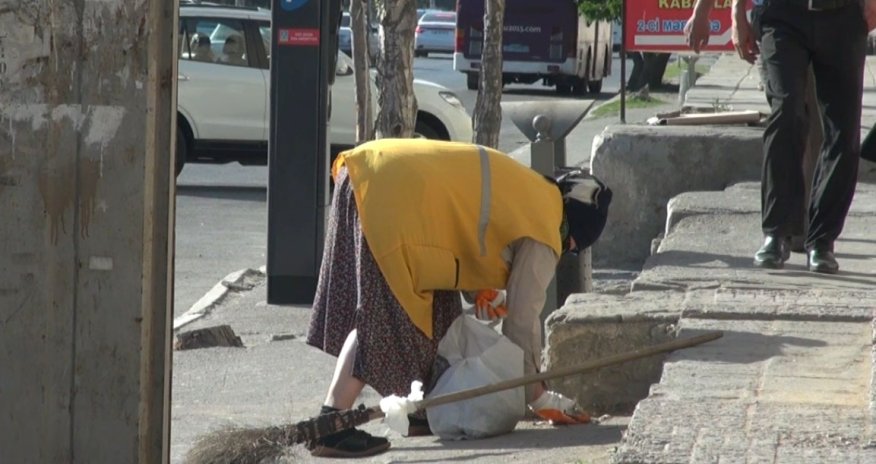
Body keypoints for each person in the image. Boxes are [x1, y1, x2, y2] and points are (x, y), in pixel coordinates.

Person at [305, 138, 612, 458]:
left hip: (369, 174)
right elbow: (522, 320)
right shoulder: (548, 227)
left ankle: (422, 410)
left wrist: (478, 288)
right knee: (379, 319)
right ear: (575, 234)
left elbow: (464, 220)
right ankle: (332, 424)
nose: (565, 253)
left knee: (440, 315)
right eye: (573, 248)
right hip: (391, 200)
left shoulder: (533, 192)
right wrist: (539, 398)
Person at [685, 0, 875, 274]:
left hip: (843, 16)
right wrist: (725, 12)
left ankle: (822, 241)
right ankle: (777, 233)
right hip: (782, 15)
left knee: (843, 132)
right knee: (786, 112)